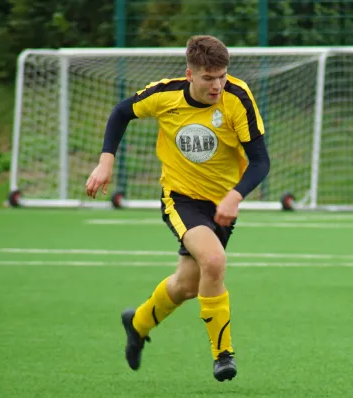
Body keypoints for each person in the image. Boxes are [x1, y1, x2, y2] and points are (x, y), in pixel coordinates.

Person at [85, 35, 270, 381]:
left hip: (222, 204)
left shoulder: (238, 98)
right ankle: (223, 355)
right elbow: (120, 113)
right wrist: (105, 162)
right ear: (190, 74)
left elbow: (260, 162)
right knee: (214, 261)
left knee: (187, 286)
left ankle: (137, 323)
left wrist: (235, 195)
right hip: (180, 198)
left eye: (222, 76)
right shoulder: (163, 95)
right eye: (208, 78)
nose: (217, 85)